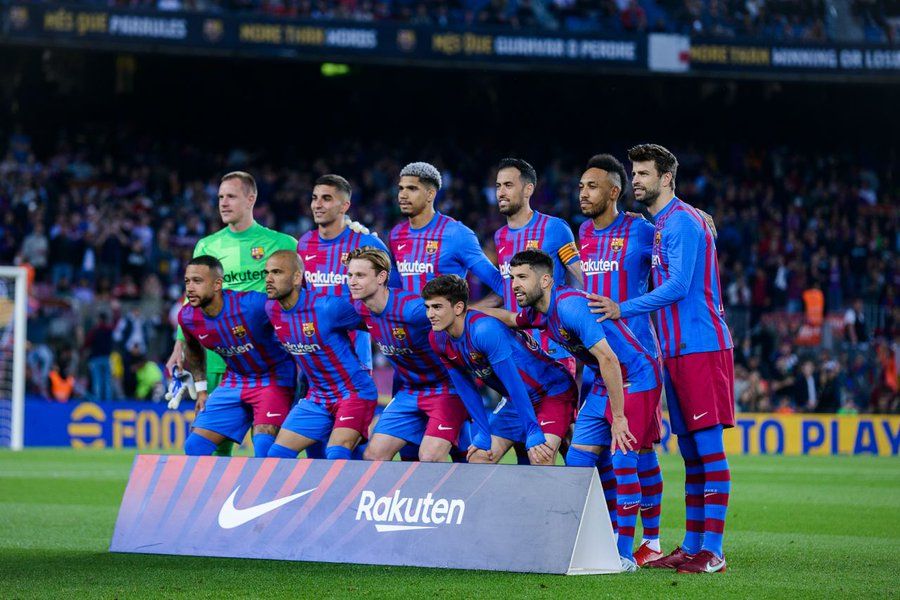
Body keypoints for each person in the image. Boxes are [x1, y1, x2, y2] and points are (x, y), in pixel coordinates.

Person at [593, 144, 734, 574]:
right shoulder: (660, 225)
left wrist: (622, 308)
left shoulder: (683, 223)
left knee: (709, 452)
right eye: (633, 174)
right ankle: (691, 546)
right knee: (690, 452)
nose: (636, 180)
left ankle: (713, 551)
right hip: (674, 352)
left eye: (643, 174)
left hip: (702, 346)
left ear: (666, 177)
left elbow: (677, 286)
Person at [481, 249, 660, 571]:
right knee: (578, 460)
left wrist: (618, 418)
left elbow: (608, 358)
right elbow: (509, 318)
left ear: (546, 279)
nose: (515, 285)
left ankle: (623, 553)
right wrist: (469, 313)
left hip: (636, 376)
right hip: (608, 382)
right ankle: (591, 536)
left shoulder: (570, 306)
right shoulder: (539, 312)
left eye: (523, 277)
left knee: (622, 457)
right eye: (512, 278)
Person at [167, 171, 297, 456]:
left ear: (251, 199)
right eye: (220, 197)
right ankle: (221, 500)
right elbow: (193, 303)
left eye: (231, 196)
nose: (223, 203)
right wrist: (180, 344)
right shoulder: (207, 245)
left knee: (265, 442)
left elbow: (300, 294)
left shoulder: (283, 243)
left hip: (266, 357)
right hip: (218, 357)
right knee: (216, 445)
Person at [577, 153, 665, 565]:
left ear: (614, 191)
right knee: (593, 459)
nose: (583, 192)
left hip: (636, 363)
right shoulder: (581, 232)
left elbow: (676, 235)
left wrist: (700, 217)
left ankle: (630, 550)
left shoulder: (641, 229)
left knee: (630, 454)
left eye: (592, 186)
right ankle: (632, 540)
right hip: (599, 366)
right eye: (580, 186)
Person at [423, 275, 578, 465]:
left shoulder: (484, 330)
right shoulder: (437, 338)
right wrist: (483, 431)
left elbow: (514, 384)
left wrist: (532, 429)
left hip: (552, 391)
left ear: (458, 307)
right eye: (427, 307)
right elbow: (466, 387)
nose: (430, 314)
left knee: (540, 456)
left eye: (437, 307)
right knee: (478, 457)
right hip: (516, 399)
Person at [344, 247, 468, 462]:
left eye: (360, 275)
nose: (352, 281)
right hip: (409, 392)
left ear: (382, 276)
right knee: (373, 456)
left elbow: (462, 321)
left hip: (446, 388)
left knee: (429, 457)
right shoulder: (360, 309)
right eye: (350, 275)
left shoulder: (413, 310)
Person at [178, 255, 297, 458]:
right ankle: (221, 491)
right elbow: (193, 349)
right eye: (187, 281)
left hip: (273, 378)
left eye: (198, 281)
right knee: (194, 447)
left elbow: (293, 311)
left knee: (265, 448)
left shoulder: (252, 305)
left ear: (217, 284)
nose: (190, 288)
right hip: (235, 380)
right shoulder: (188, 316)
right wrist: (201, 390)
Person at [264, 251, 378, 460]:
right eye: (267, 272)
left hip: (353, 392)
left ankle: (360, 491)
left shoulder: (328, 307)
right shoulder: (272, 309)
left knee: (335, 453)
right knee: (276, 455)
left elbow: (375, 324)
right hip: (317, 397)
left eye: (277, 272)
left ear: (297, 277)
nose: (268, 279)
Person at [493, 157, 581, 373]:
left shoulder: (555, 228)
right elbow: (505, 288)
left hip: (553, 350)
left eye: (508, 185)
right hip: (516, 352)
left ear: (528, 189)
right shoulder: (500, 236)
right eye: (498, 186)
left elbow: (583, 276)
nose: (501, 192)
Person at [390, 162, 505, 297]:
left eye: (411, 188)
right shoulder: (396, 234)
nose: (402, 195)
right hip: (405, 318)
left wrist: (477, 308)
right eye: (401, 188)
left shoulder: (456, 234)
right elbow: (395, 284)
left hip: (444, 318)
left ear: (430, 195)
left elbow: (499, 283)